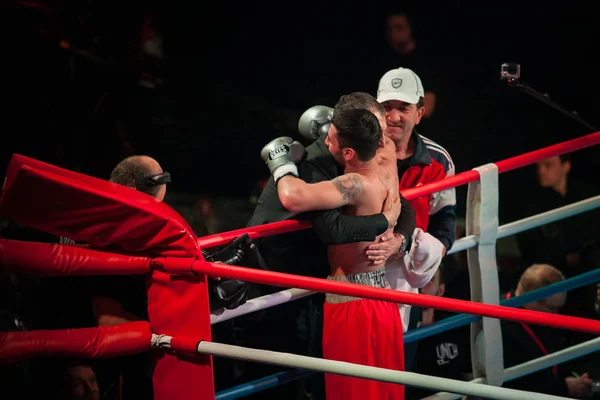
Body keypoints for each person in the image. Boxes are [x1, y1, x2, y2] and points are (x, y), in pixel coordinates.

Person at [243, 93, 416, 398]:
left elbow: (302, 204)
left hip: (349, 298)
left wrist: (279, 161)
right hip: (373, 294)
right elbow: (401, 205)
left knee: (352, 390)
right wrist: (389, 224)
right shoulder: (381, 157)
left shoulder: (357, 180)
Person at [369, 67, 456, 344]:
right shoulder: (353, 152)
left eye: (403, 108)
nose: (393, 117)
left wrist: (421, 257)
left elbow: (445, 225)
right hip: (353, 271)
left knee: (401, 368)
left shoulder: (438, 161)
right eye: (386, 107)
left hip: (406, 277)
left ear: (419, 113)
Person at [498, 264, 594, 398]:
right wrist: (563, 388)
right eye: (552, 308)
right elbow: (513, 384)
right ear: (531, 299)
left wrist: (575, 380)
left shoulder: (546, 312)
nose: (557, 315)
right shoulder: (498, 324)